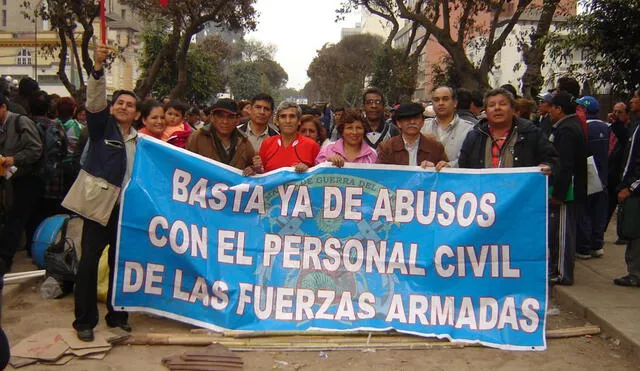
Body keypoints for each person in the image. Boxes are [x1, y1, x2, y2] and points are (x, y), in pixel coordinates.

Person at [66, 44, 137, 341]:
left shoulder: (141, 141)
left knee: (122, 264)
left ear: (136, 114)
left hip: (126, 213)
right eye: (119, 103)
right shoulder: (100, 129)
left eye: (129, 105)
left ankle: (117, 315)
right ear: (112, 108)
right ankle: (84, 321)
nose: (123, 107)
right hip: (99, 209)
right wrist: (97, 68)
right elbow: (94, 101)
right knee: (89, 264)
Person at [457, 88, 557, 172]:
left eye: (503, 104)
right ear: (485, 111)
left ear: (513, 109)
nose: (497, 108)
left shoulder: (531, 133)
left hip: (520, 194)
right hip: (484, 194)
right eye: (491, 105)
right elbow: (463, 169)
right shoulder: (474, 137)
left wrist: (547, 167)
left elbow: (553, 160)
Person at [548, 91, 587, 286]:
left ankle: (563, 273)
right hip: (569, 188)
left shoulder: (566, 130)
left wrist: (558, 193)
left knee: (563, 233)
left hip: (567, 191)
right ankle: (557, 269)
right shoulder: (573, 125)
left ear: (559, 109)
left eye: (552, 108)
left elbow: (565, 165)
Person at [0, 93, 43, 271]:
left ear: (3, 107)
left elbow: (35, 149)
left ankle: (6, 259)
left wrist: (14, 159)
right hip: (8, 180)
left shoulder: (20, 122)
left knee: (16, 220)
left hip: (27, 179)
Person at [575, 96, 609, 259]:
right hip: (603, 175)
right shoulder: (606, 126)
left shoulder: (582, 127)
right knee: (599, 212)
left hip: (587, 173)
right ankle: (598, 243)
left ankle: (584, 247)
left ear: (584, 109)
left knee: (584, 211)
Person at [187, 99, 261, 174]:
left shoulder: (245, 143)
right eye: (220, 116)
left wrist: (252, 169)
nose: (225, 121)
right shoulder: (197, 137)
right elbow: (185, 164)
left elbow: (253, 168)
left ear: (237, 120)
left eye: (230, 117)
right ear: (212, 117)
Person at [613, 117, 640, 287]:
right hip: (631, 185)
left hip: (635, 189)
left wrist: (631, 187)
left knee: (635, 231)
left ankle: (636, 273)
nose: (633, 100)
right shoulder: (635, 125)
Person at [377, 103, 447, 167]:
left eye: (416, 118)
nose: (412, 122)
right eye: (407, 118)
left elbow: (447, 176)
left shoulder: (436, 147)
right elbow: (381, 176)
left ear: (423, 122)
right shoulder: (386, 148)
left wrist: (439, 167)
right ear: (399, 123)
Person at [259, 101, 319, 173]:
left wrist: (307, 169)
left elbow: (320, 175)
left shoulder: (311, 145)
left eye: (292, 116)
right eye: (283, 116)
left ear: (299, 120)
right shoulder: (267, 143)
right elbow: (260, 173)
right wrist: (253, 169)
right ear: (277, 121)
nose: (287, 121)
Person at [421, 86, 473, 169]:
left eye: (445, 99)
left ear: (455, 102)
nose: (440, 103)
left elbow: (470, 158)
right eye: (436, 100)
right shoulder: (423, 127)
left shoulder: (469, 129)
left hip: (455, 179)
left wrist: (450, 165)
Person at [607, 101, 633, 244]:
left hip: (623, 172)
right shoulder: (611, 128)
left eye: (620, 112)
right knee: (609, 202)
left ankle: (623, 234)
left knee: (622, 204)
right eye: (614, 111)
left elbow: (624, 140)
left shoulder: (628, 129)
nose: (616, 115)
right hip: (612, 170)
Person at [56, 97, 85, 191]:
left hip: (53, 166)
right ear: (74, 110)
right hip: (71, 166)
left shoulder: (51, 124)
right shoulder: (78, 127)